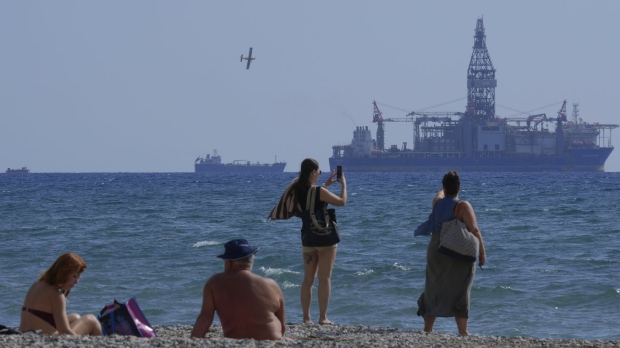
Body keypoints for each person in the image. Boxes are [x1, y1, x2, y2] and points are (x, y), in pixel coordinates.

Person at [416, 171, 486, 336]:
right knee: (462, 286)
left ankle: (428, 328)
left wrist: (444, 187)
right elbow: (474, 230)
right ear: (459, 187)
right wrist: (482, 252)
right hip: (456, 250)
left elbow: (439, 194)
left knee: (433, 286)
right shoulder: (462, 206)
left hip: (435, 248)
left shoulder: (437, 203)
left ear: (445, 187)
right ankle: (462, 331)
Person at [191, 239, 286, 340]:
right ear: (251, 260)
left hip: (235, 340)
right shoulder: (271, 285)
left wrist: (193, 341)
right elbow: (283, 327)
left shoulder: (214, 283)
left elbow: (205, 319)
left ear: (229, 262)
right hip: (272, 340)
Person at [292, 158, 347, 325]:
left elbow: (312, 196)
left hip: (308, 238)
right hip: (325, 239)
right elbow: (341, 202)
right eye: (319, 172)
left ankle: (306, 318)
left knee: (308, 280)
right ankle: (323, 317)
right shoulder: (318, 191)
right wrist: (344, 185)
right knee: (325, 279)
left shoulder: (298, 189)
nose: (319, 174)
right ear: (313, 172)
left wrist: (326, 184)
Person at [20, 253, 102, 336]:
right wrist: (81, 340)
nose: (77, 282)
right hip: (43, 339)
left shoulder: (37, 284)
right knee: (91, 320)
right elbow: (64, 332)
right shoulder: (56, 295)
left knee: (75, 317)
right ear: (64, 272)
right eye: (74, 276)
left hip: (25, 335)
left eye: (78, 277)